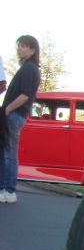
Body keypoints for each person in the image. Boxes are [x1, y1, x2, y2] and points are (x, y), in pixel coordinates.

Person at [0, 35, 41, 204]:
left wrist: (8, 109)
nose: (20, 49)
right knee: (5, 153)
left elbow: (25, 95)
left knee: (9, 154)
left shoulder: (29, 69)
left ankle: (9, 190)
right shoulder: (28, 68)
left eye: (24, 46)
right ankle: (4, 189)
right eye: (19, 46)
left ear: (32, 50)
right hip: (14, 115)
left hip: (15, 115)